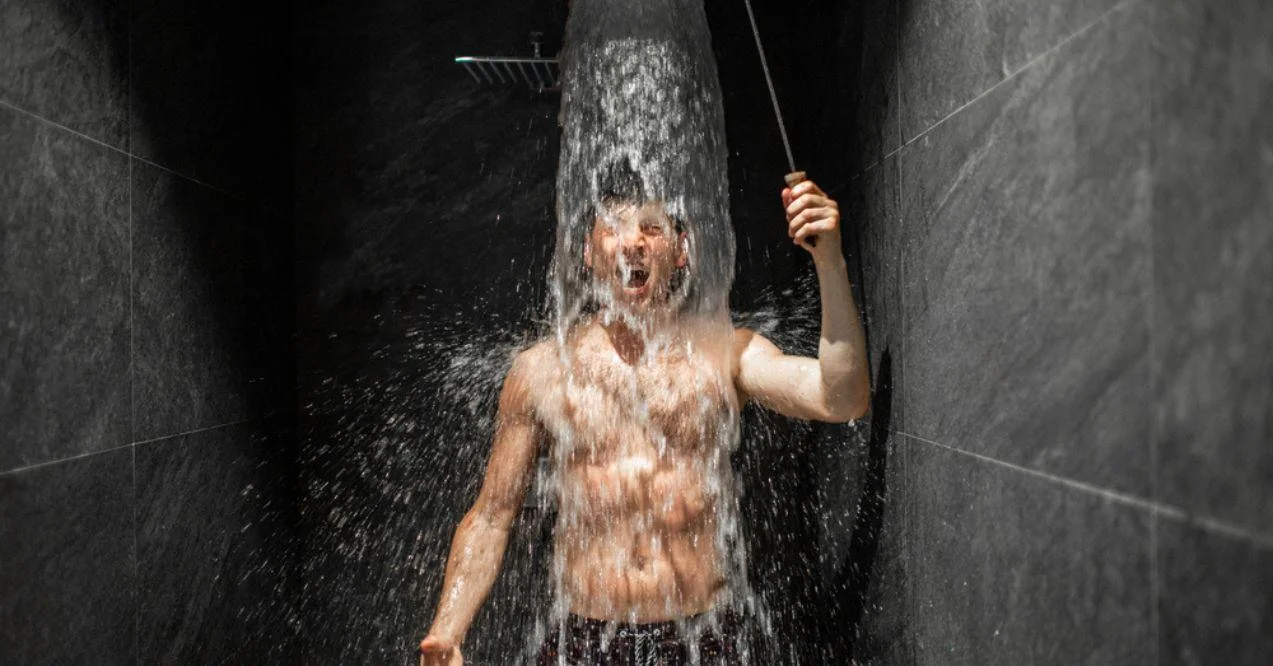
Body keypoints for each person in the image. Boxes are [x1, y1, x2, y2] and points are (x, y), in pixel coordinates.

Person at [419, 176, 870, 665]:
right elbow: (491, 515)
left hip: (701, 637)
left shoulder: (725, 352)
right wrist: (447, 632)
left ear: (681, 250)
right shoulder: (542, 371)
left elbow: (840, 398)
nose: (632, 241)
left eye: (651, 228)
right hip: (584, 642)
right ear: (589, 252)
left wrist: (829, 259)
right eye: (613, 226)